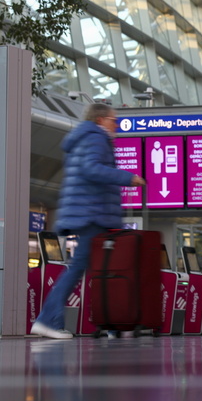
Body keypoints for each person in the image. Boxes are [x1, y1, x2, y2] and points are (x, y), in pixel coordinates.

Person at [30, 103, 146, 339]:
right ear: (101, 119)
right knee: (85, 267)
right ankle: (47, 321)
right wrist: (127, 177)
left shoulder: (87, 137)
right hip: (92, 213)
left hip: (93, 212)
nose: (117, 126)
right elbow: (91, 168)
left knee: (104, 269)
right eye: (113, 120)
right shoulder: (94, 137)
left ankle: (114, 325)